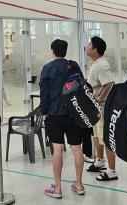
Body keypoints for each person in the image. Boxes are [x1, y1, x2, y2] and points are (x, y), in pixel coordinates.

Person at [40, 39, 85, 199]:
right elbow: (82, 87)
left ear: (53, 51)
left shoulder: (47, 68)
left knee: (57, 149)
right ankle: (79, 185)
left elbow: (44, 93)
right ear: (65, 51)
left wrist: (44, 112)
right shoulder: (73, 66)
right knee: (77, 148)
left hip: (54, 115)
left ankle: (58, 188)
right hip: (73, 114)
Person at [85, 36, 117, 182]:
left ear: (95, 50)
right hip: (96, 108)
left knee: (106, 138)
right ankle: (99, 161)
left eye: (89, 44)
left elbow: (109, 83)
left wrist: (97, 99)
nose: (87, 46)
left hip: (103, 108)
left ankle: (112, 171)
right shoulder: (96, 63)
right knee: (96, 135)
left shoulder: (102, 65)